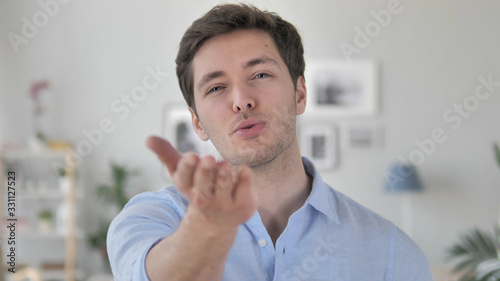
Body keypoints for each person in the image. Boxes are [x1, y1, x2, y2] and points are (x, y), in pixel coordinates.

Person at [107, 4, 433, 281]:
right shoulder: (150, 219)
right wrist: (203, 229)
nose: (242, 100)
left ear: (300, 94)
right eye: (216, 88)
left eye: (260, 75)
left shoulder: (392, 254)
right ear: (197, 123)